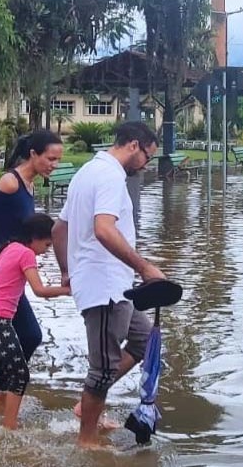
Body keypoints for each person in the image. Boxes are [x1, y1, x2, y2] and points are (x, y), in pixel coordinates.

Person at [52, 121, 165, 449]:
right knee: (102, 369)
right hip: (104, 288)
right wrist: (143, 266)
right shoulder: (111, 177)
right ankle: (86, 441)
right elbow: (103, 229)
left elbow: (60, 230)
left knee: (144, 341)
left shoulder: (88, 171)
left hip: (115, 286)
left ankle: (87, 406)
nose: (146, 164)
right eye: (147, 156)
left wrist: (66, 271)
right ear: (133, 145)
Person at [0, 130, 63, 405]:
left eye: (57, 160)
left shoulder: (30, 185)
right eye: (50, 159)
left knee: (19, 335)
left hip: (12, 267)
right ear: (33, 154)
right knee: (29, 334)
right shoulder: (10, 182)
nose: (54, 164)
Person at [0, 213, 72, 429]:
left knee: (0, 373)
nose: (47, 250)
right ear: (34, 238)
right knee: (20, 374)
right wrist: (69, 291)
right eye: (47, 244)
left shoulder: (3, 248)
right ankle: (10, 427)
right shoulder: (26, 254)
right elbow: (39, 290)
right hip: (0, 321)